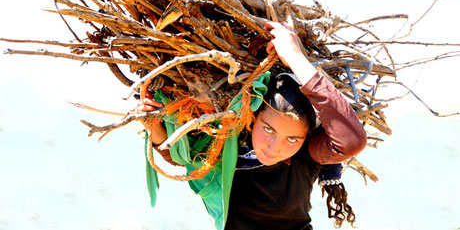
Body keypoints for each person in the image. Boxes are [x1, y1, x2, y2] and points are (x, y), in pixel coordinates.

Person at [137, 21, 367, 230]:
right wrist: (156, 129)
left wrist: (296, 57)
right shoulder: (227, 142)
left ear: (306, 136)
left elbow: (351, 141)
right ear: (252, 119)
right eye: (268, 129)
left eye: (292, 139)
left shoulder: (308, 153)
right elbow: (187, 159)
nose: (274, 147)